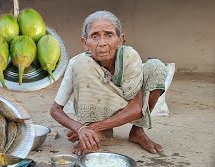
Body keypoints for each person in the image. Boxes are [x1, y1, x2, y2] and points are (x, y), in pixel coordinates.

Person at [50, 10, 168, 155]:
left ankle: (137, 132)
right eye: (95, 36)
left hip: (128, 105)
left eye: (109, 35)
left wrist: (93, 128)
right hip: (105, 108)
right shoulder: (77, 63)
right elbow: (55, 109)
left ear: (120, 40)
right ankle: (93, 136)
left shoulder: (129, 57)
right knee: (83, 64)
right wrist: (80, 128)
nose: (102, 43)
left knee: (156, 67)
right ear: (85, 43)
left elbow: (136, 108)